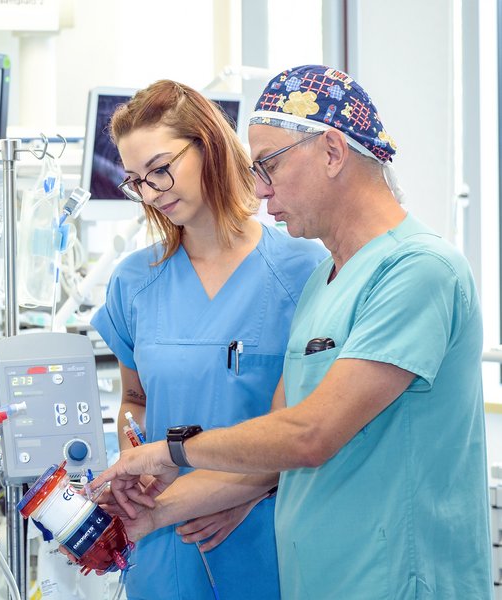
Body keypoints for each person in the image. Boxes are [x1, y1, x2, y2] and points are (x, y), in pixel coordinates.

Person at [91, 65, 494, 599]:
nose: (258, 190)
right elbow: (280, 430)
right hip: (319, 575)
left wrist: (169, 453)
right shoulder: (327, 282)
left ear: (331, 151)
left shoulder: (417, 270)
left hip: (394, 576)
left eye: (268, 166)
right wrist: (149, 514)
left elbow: (308, 435)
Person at [89, 80, 326, 600]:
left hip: (267, 533)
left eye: (160, 168)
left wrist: (247, 489)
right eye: (136, 181)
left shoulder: (306, 271)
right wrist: (135, 454)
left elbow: (320, 427)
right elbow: (135, 400)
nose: (152, 192)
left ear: (209, 144)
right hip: (163, 541)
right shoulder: (135, 281)